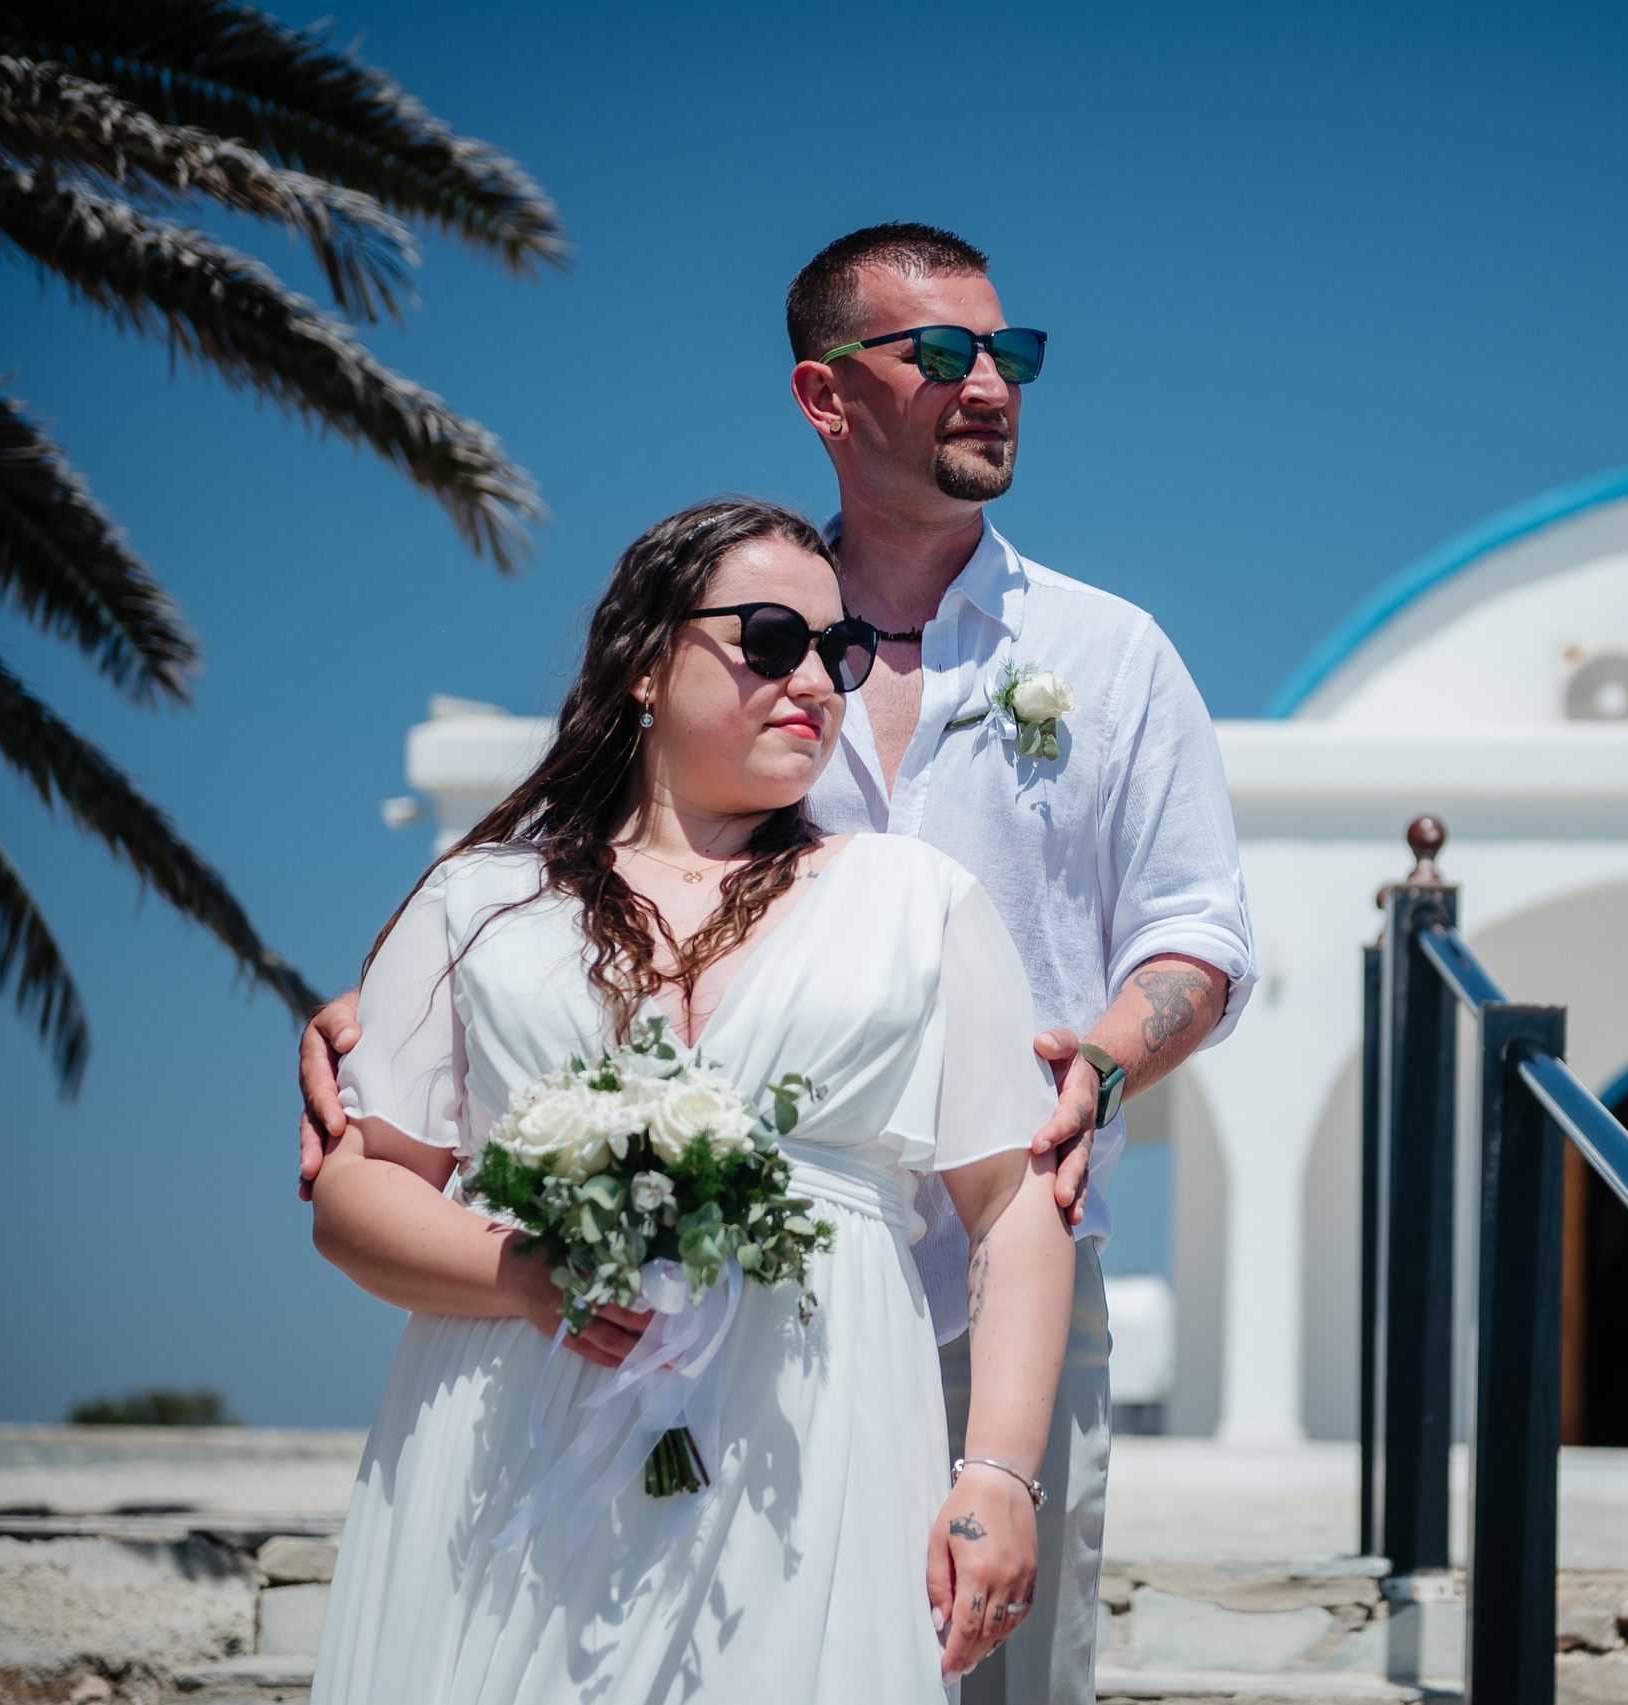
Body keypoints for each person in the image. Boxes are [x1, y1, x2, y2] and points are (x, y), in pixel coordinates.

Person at [302, 223, 1257, 1704]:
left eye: (1012, 353)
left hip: (988, 1278)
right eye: (943, 354)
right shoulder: (719, 652)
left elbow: (1200, 933)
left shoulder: (1112, 653)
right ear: (827, 395)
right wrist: (415, 1024)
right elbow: (569, 907)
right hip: (618, 1328)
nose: (990, 381)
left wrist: (1101, 1062)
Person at [305, 499, 1073, 1702]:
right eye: (771, 639)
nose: (816, 678)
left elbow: (1016, 1203)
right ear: (648, 662)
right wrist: (522, 1272)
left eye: (841, 650)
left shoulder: (917, 900)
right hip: (515, 1431)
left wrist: (999, 1475)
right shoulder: (480, 901)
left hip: (812, 1446)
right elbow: (356, 1191)